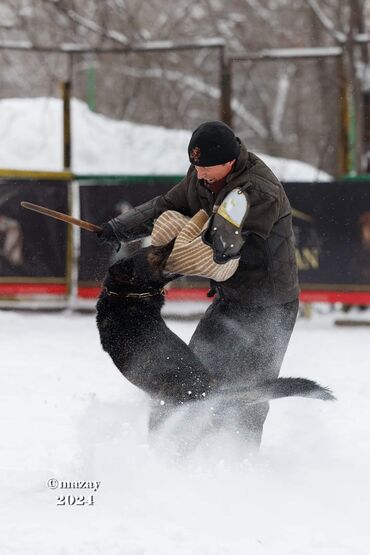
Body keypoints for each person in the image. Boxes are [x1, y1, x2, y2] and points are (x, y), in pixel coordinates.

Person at [98, 121, 299, 448]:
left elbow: (230, 243)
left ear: (230, 162)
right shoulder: (202, 176)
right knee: (189, 380)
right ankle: (176, 456)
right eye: (196, 166)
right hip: (229, 300)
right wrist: (117, 229)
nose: (199, 174)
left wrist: (217, 243)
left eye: (207, 168)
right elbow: (165, 207)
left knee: (246, 395)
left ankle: (240, 465)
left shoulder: (259, 189)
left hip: (269, 307)